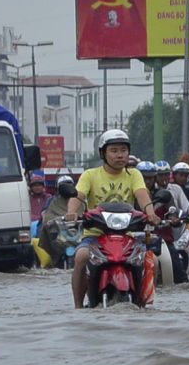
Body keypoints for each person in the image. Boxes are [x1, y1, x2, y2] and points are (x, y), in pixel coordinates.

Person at [65, 128, 159, 308]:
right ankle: (77, 306)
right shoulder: (90, 175)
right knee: (81, 257)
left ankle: (145, 303)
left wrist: (151, 213)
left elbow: (142, 195)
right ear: (103, 153)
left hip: (128, 236)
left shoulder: (135, 175)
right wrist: (72, 212)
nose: (120, 155)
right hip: (95, 235)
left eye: (123, 150)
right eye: (114, 151)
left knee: (152, 260)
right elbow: (78, 197)